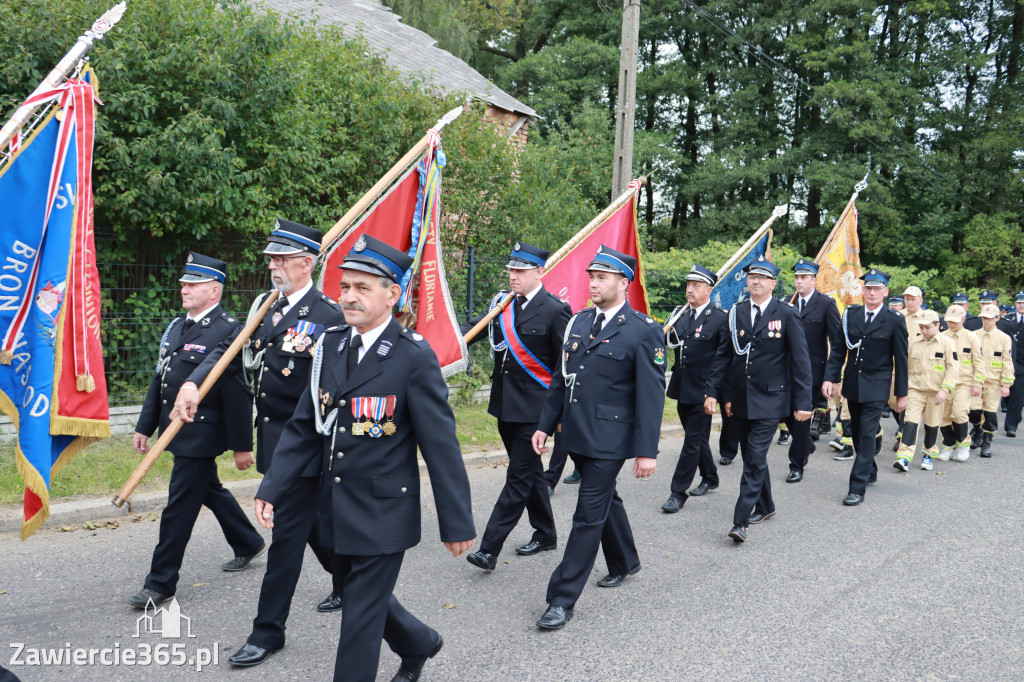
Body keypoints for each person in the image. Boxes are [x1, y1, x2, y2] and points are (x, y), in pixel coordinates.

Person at [254, 234, 476, 681]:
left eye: (363, 287)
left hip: (382, 511)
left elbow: (441, 447)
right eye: (346, 286)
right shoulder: (332, 344)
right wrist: (272, 487)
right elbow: (304, 425)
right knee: (360, 595)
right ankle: (419, 643)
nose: (349, 297)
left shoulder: (412, 357)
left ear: (393, 294)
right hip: (332, 505)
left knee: (358, 615)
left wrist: (457, 522)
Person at [174, 220, 346, 667]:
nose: (272, 264)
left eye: (281, 258)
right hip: (276, 446)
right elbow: (225, 349)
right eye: (271, 257)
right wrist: (193, 383)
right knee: (311, 529)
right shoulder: (270, 307)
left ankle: (267, 631)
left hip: (306, 449)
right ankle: (354, 585)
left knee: (286, 542)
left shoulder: (328, 316)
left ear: (306, 263)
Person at [531, 245, 665, 630]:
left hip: (610, 438)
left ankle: (562, 598)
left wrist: (646, 451)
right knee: (607, 499)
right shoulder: (578, 322)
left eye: (602, 277)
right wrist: (544, 425)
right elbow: (561, 380)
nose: (593, 283)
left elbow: (651, 397)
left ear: (624, 283)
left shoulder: (643, 330)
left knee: (587, 515)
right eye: (591, 276)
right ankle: (625, 560)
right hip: (575, 433)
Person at [127, 253, 265, 609]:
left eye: (193, 284)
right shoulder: (176, 326)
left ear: (214, 290)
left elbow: (237, 392)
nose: (184, 288)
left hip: (201, 433)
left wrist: (241, 445)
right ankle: (247, 541)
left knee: (179, 506)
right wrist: (145, 426)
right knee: (208, 489)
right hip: (174, 427)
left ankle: (160, 583)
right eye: (184, 283)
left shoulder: (231, 330)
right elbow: (161, 380)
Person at [460, 241, 570, 570]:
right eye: (511, 269)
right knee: (532, 473)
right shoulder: (503, 304)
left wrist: (555, 413)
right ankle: (546, 533)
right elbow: (473, 329)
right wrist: (441, 343)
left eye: (520, 270)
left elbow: (564, 365)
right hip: (505, 406)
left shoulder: (555, 310)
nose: (513, 276)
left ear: (539, 272)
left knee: (518, 476)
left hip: (536, 411)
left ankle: (489, 549)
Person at [704, 256, 812, 542]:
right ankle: (766, 505)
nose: (756, 281)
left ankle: (740, 522)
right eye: (752, 277)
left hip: (770, 400)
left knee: (753, 458)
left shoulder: (786, 314)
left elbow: (801, 362)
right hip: (739, 399)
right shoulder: (736, 312)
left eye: (762, 278)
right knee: (752, 455)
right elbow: (724, 357)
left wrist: (803, 402)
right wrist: (716, 392)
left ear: (773, 284)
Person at [823, 268, 909, 507]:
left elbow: (901, 360)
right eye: (868, 288)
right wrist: (830, 378)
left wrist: (902, 394)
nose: (872, 293)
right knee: (858, 432)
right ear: (862, 290)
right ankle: (869, 468)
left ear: (885, 292)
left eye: (877, 289)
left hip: (877, 385)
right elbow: (839, 349)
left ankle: (856, 487)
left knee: (868, 433)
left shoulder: (894, 321)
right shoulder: (851, 314)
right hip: (853, 383)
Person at [661, 264, 727, 513]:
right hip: (682, 386)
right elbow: (669, 343)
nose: (690, 289)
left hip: (704, 390)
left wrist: (714, 392)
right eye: (688, 285)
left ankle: (677, 492)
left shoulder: (720, 318)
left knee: (691, 441)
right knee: (697, 438)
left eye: (696, 286)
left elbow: (722, 358)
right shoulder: (679, 314)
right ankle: (710, 476)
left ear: (709, 290)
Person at [784, 258, 842, 481]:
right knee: (784, 412)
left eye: (804, 277)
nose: (799, 281)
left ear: (814, 280)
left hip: (812, 374)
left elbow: (837, 343)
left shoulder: (826, 304)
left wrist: (831, 377)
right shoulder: (786, 303)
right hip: (786, 371)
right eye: (797, 277)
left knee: (801, 418)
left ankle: (796, 465)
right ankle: (806, 444)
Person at [892, 309, 958, 472]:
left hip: (936, 392)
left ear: (937, 325)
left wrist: (945, 389)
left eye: (927, 327)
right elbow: (904, 366)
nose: (923, 330)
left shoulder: (947, 343)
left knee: (932, 425)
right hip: (915, 390)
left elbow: (953, 369)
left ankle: (928, 453)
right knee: (910, 423)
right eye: (921, 327)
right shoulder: (914, 342)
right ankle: (904, 457)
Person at [970, 304, 1015, 457]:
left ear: (997, 318)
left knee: (990, 413)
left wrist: (1006, 384)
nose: (986, 321)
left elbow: (1007, 362)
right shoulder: (973, 335)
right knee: (973, 411)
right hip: (975, 381)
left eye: (990, 319)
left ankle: (986, 442)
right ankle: (977, 431)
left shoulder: (1004, 338)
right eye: (984, 318)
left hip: (993, 382)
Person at [939, 305, 983, 462]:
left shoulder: (972, 338)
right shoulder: (941, 336)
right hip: (944, 384)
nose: (952, 324)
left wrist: (977, 383)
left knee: (959, 413)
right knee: (943, 417)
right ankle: (948, 445)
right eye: (949, 321)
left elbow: (979, 362)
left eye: (955, 321)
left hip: (964, 382)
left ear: (963, 320)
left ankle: (963, 444)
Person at [1001, 291, 1024, 437]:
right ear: (1015, 304)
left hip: (1022, 364)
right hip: (1007, 361)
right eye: (1019, 303)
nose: (1022, 305)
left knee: (1018, 396)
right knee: (1008, 397)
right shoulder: (1007, 319)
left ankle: (1011, 426)